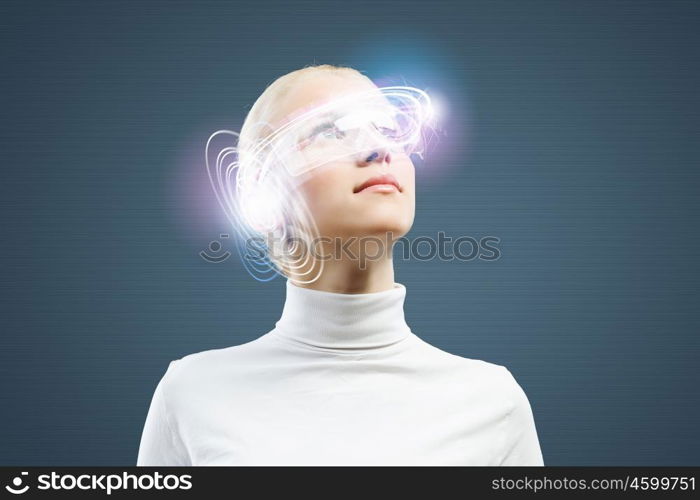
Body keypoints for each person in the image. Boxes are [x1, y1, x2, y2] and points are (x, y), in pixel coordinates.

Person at [136, 64, 545, 466]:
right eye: (329, 131)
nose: (378, 149)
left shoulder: (492, 404)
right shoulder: (192, 395)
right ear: (263, 195)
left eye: (387, 129)